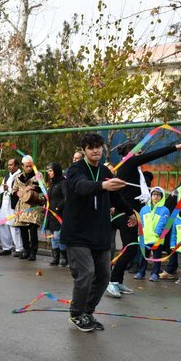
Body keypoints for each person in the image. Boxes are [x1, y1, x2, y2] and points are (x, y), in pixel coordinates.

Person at [62, 133, 136, 332]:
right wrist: (103, 185)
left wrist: (130, 212)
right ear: (84, 150)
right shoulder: (75, 170)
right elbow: (81, 186)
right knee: (86, 272)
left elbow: (116, 198)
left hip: (100, 233)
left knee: (104, 275)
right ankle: (76, 313)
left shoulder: (105, 170)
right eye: (90, 147)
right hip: (77, 233)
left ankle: (87, 311)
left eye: (98, 146)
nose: (96, 150)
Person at [107, 139, 181, 298]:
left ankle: (117, 280)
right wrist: (177, 146)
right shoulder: (129, 163)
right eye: (138, 153)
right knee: (130, 248)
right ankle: (112, 281)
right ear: (130, 154)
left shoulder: (135, 171)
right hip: (126, 214)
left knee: (132, 248)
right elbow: (154, 154)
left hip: (132, 213)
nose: (140, 156)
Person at [12, 155, 43, 261]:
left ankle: (34, 252)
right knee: (23, 229)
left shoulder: (38, 175)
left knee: (33, 230)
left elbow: (43, 188)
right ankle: (26, 250)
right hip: (22, 206)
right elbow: (14, 190)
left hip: (34, 206)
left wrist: (35, 187)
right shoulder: (18, 177)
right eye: (27, 166)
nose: (29, 168)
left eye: (31, 166)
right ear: (23, 166)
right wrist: (19, 192)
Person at [135, 187, 170, 281]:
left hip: (156, 238)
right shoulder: (144, 209)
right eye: (154, 194)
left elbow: (163, 223)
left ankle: (155, 273)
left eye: (158, 195)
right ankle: (141, 272)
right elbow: (140, 222)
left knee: (157, 257)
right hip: (145, 237)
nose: (156, 196)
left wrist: (157, 233)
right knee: (143, 256)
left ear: (162, 197)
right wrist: (140, 233)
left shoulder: (164, 210)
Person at [0, 158, 23, 256]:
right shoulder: (7, 176)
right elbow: (0, 189)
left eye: (11, 165)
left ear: (16, 166)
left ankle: (19, 248)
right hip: (4, 204)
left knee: (14, 226)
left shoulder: (20, 176)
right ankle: (6, 247)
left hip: (13, 205)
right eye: (8, 165)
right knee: (3, 225)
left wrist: (10, 189)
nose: (9, 166)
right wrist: (3, 189)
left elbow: (20, 190)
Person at [46, 162, 68, 266]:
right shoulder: (52, 183)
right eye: (48, 171)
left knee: (58, 236)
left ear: (56, 171)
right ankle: (55, 257)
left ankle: (64, 257)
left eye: (50, 170)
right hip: (51, 215)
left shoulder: (63, 182)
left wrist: (59, 207)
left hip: (60, 215)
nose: (48, 172)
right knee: (53, 236)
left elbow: (67, 197)